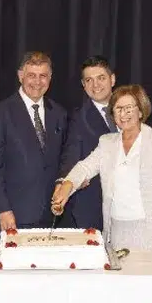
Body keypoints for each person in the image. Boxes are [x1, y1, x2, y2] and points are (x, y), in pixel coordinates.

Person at [53, 85, 152, 250]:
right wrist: (67, 185)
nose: (123, 114)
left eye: (128, 108)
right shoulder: (107, 142)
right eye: (118, 109)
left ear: (141, 111)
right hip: (117, 229)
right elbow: (85, 167)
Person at [0, 51, 68, 230]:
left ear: (50, 78)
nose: (37, 82)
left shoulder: (59, 113)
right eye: (31, 75)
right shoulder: (1, 113)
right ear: (20, 76)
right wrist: (2, 209)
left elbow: (63, 158)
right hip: (14, 216)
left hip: (51, 216)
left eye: (43, 76)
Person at [58, 56, 117, 229]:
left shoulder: (131, 110)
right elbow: (71, 154)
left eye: (101, 78)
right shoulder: (77, 119)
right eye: (89, 80)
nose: (95, 85)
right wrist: (65, 182)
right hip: (94, 207)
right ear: (83, 85)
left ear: (112, 79)